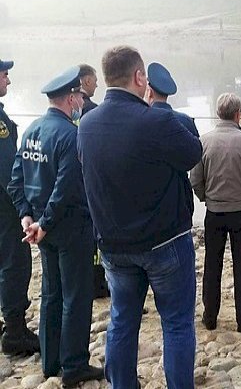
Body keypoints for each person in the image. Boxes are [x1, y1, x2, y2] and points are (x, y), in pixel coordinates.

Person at [77, 45, 201, 389]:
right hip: (166, 245)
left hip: (114, 247)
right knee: (176, 323)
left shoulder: (86, 124)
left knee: (122, 321)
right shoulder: (157, 120)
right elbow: (193, 153)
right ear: (140, 77)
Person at [7, 66, 103, 385]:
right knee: (76, 296)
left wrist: (27, 217)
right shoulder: (69, 135)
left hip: (41, 228)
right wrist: (42, 223)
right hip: (69, 228)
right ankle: (74, 365)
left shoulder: (33, 129)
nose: (81, 102)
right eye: (78, 97)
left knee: (51, 293)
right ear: (70, 98)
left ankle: (50, 361)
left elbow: (16, 179)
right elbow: (66, 187)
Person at [190, 93, 241, 332]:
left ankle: (210, 317)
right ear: (238, 114)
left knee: (212, 264)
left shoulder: (203, 141)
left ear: (217, 114)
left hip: (213, 213)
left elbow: (195, 178)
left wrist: (206, 197)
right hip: (240, 213)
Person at [0, 58, 39, 357]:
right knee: (15, 263)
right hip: (5, 206)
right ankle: (14, 329)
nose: (8, 81)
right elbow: (7, 171)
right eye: (4, 75)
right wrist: (24, 208)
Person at [146, 62, 199, 217]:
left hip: (148, 196)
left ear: (149, 90)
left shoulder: (140, 119)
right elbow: (196, 154)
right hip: (179, 196)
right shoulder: (185, 121)